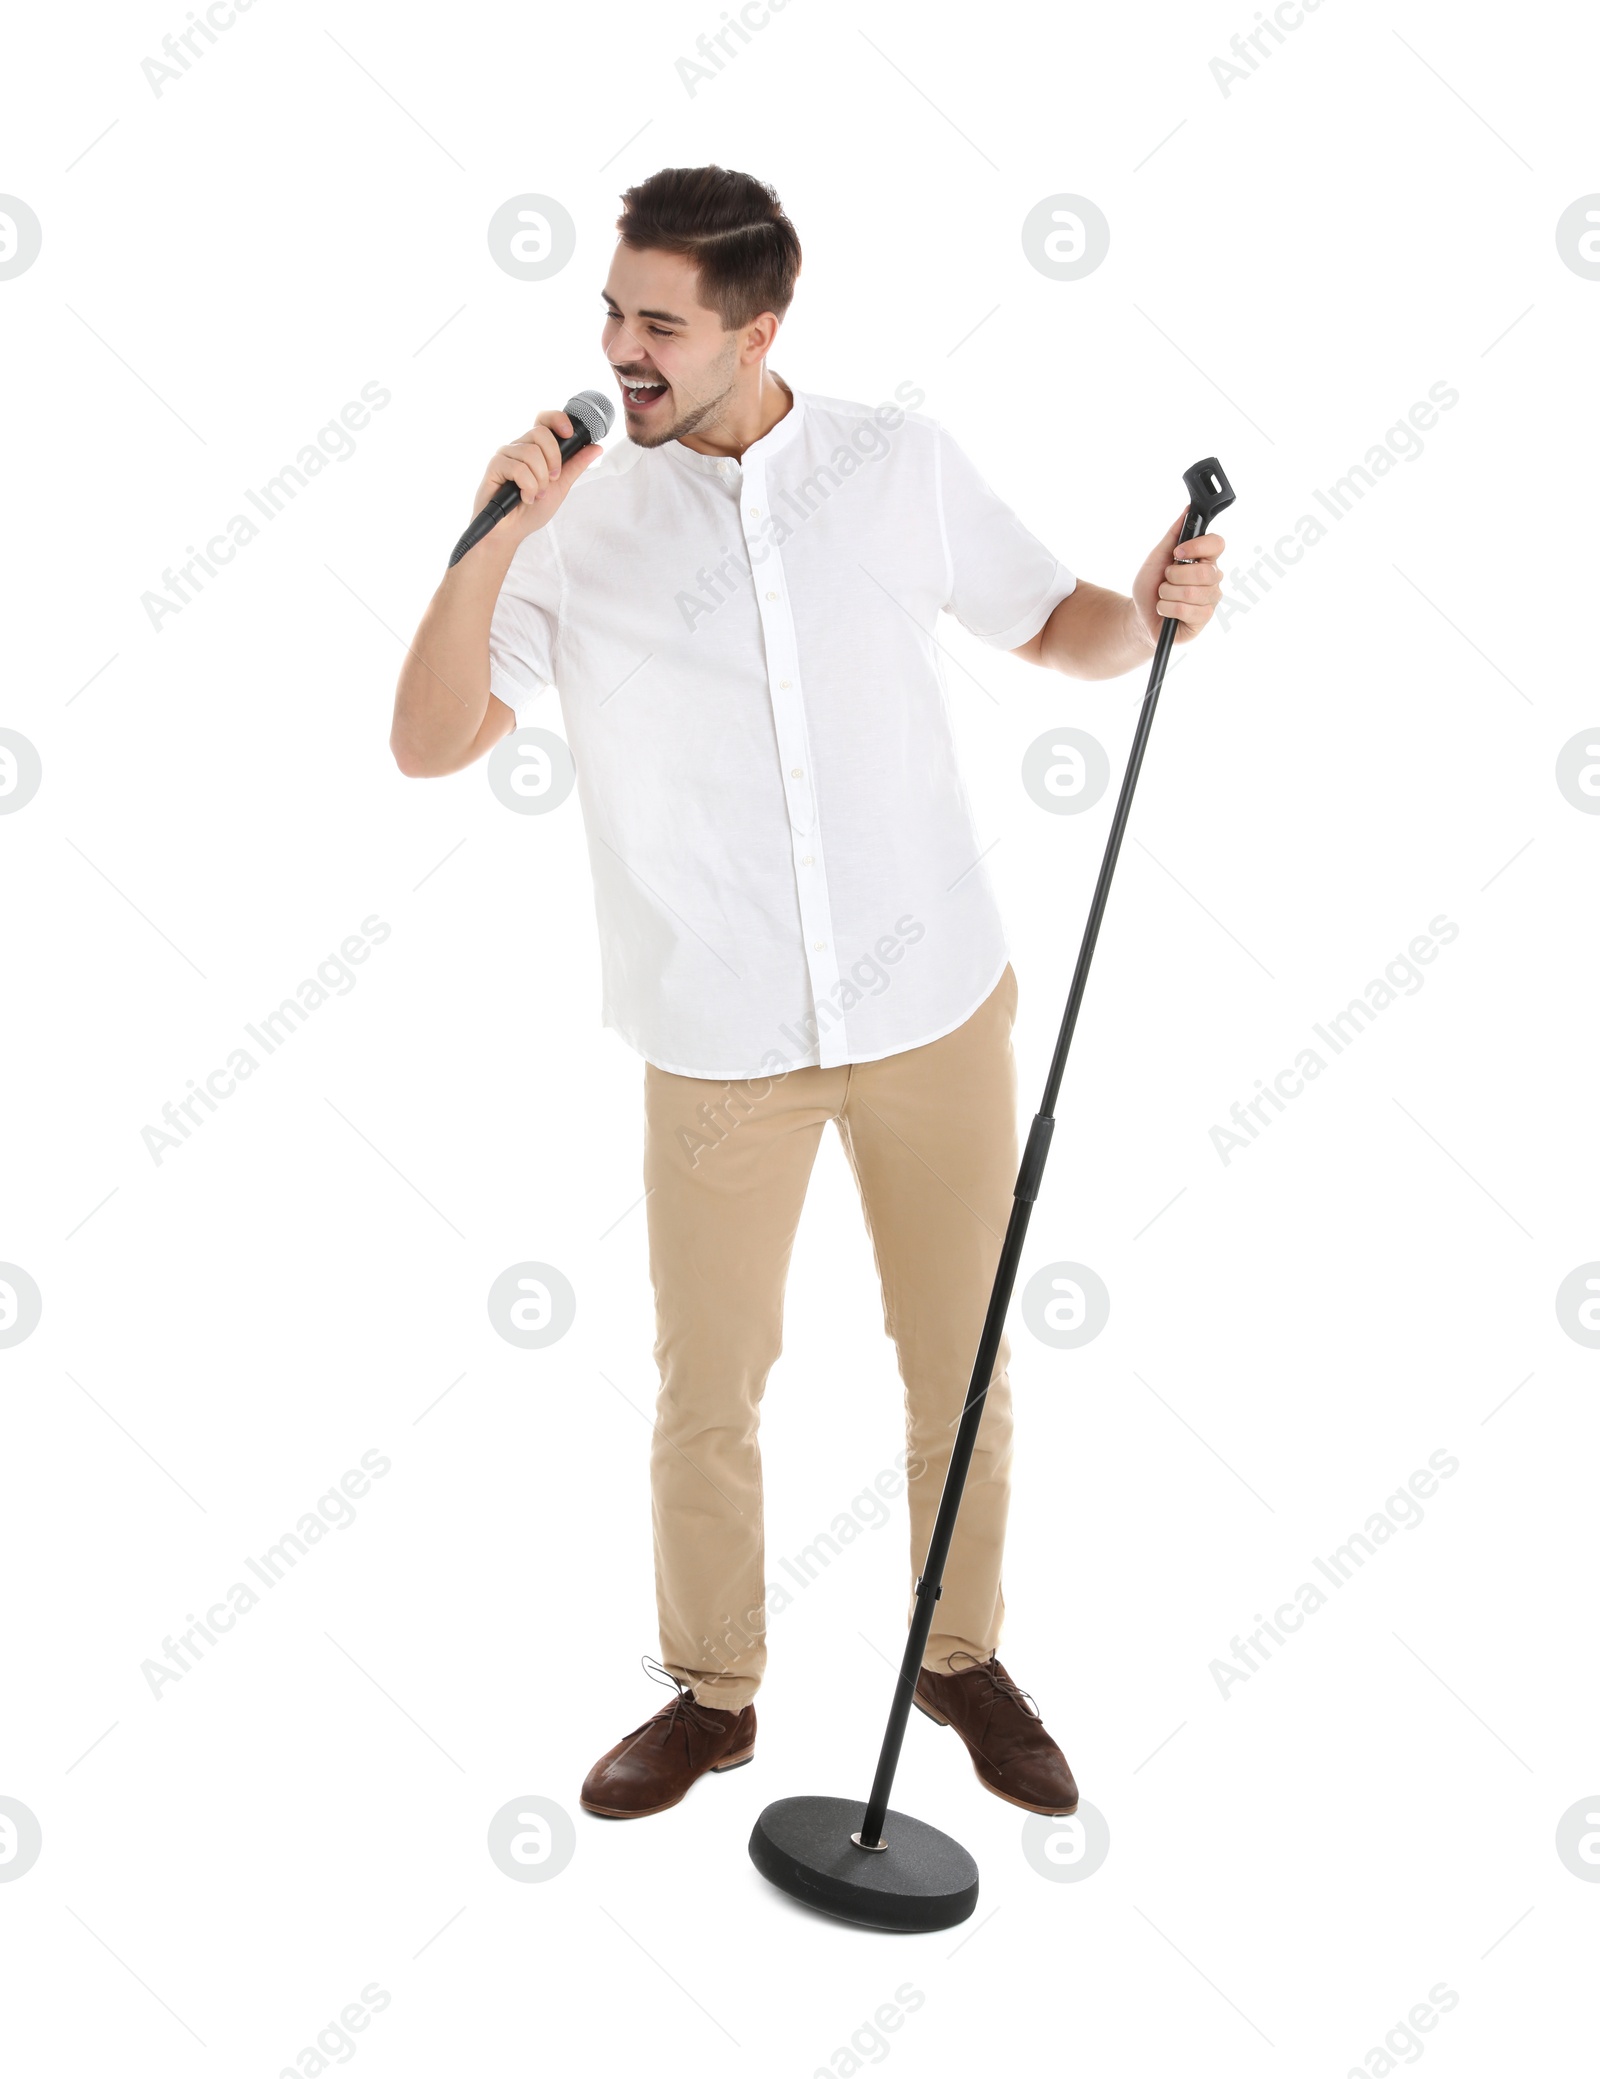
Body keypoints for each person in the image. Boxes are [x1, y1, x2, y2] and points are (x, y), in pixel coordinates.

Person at [390, 164, 1224, 1823]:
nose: (622, 350)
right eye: (613, 313)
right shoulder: (576, 522)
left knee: (964, 1360)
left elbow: (1056, 627)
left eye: (661, 325)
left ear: (760, 328)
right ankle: (712, 1692)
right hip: (716, 1039)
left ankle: (960, 1656)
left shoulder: (888, 465)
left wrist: (1148, 613)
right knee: (711, 1387)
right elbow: (427, 743)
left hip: (932, 1006)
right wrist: (489, 539)